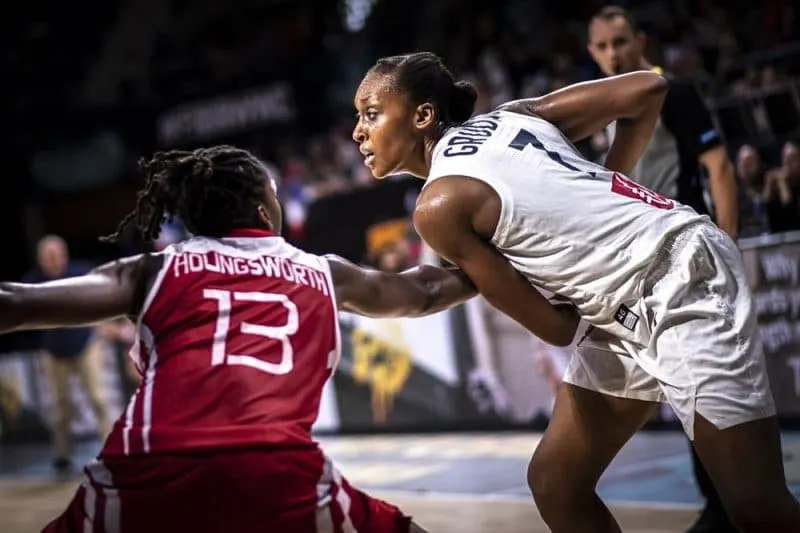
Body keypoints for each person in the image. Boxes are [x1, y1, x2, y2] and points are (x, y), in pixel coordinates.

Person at [351, 51, 800, 532]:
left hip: (673, 278)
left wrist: (479, 275)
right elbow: (649, 91)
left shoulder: (437, 206)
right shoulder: (512, 117)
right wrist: (613, 181)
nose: (358, 131)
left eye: (371, 114)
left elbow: (557, 326)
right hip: (623, 298)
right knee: (555, 482)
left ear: (423, 116)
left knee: (758, 509)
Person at [0, 146, 478, 533]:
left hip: (147, 469)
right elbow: (425, 290)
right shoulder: (326, 273)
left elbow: (19, 304)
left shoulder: (153, 270)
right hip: (274, 467)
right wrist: (515, 259)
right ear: (261, 208)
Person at [586, 6, 739, 531]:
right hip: (636, 270)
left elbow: (717, 165)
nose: (613, 54)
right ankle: (722, 504)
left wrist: (729, 247)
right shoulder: (600, 108)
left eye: (621, 42)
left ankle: (728, 507)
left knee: (704, 388)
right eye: (603, 46)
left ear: (640, 40)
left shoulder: (670, 91)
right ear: (591, 52)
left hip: (687, 257)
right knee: (682, 392)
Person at [24, 234, 112, 473]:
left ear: (64, 255)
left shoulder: (81, 273)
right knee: (60, 407)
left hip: (86, 345)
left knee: (99, 399)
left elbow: (100, 304)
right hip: (53, 352)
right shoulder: (33, 282)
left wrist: (101, 340)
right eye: (47, 256)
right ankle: (62, 455)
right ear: (40, 259)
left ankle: (111, 449)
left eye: (56, 254)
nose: (53, 260)